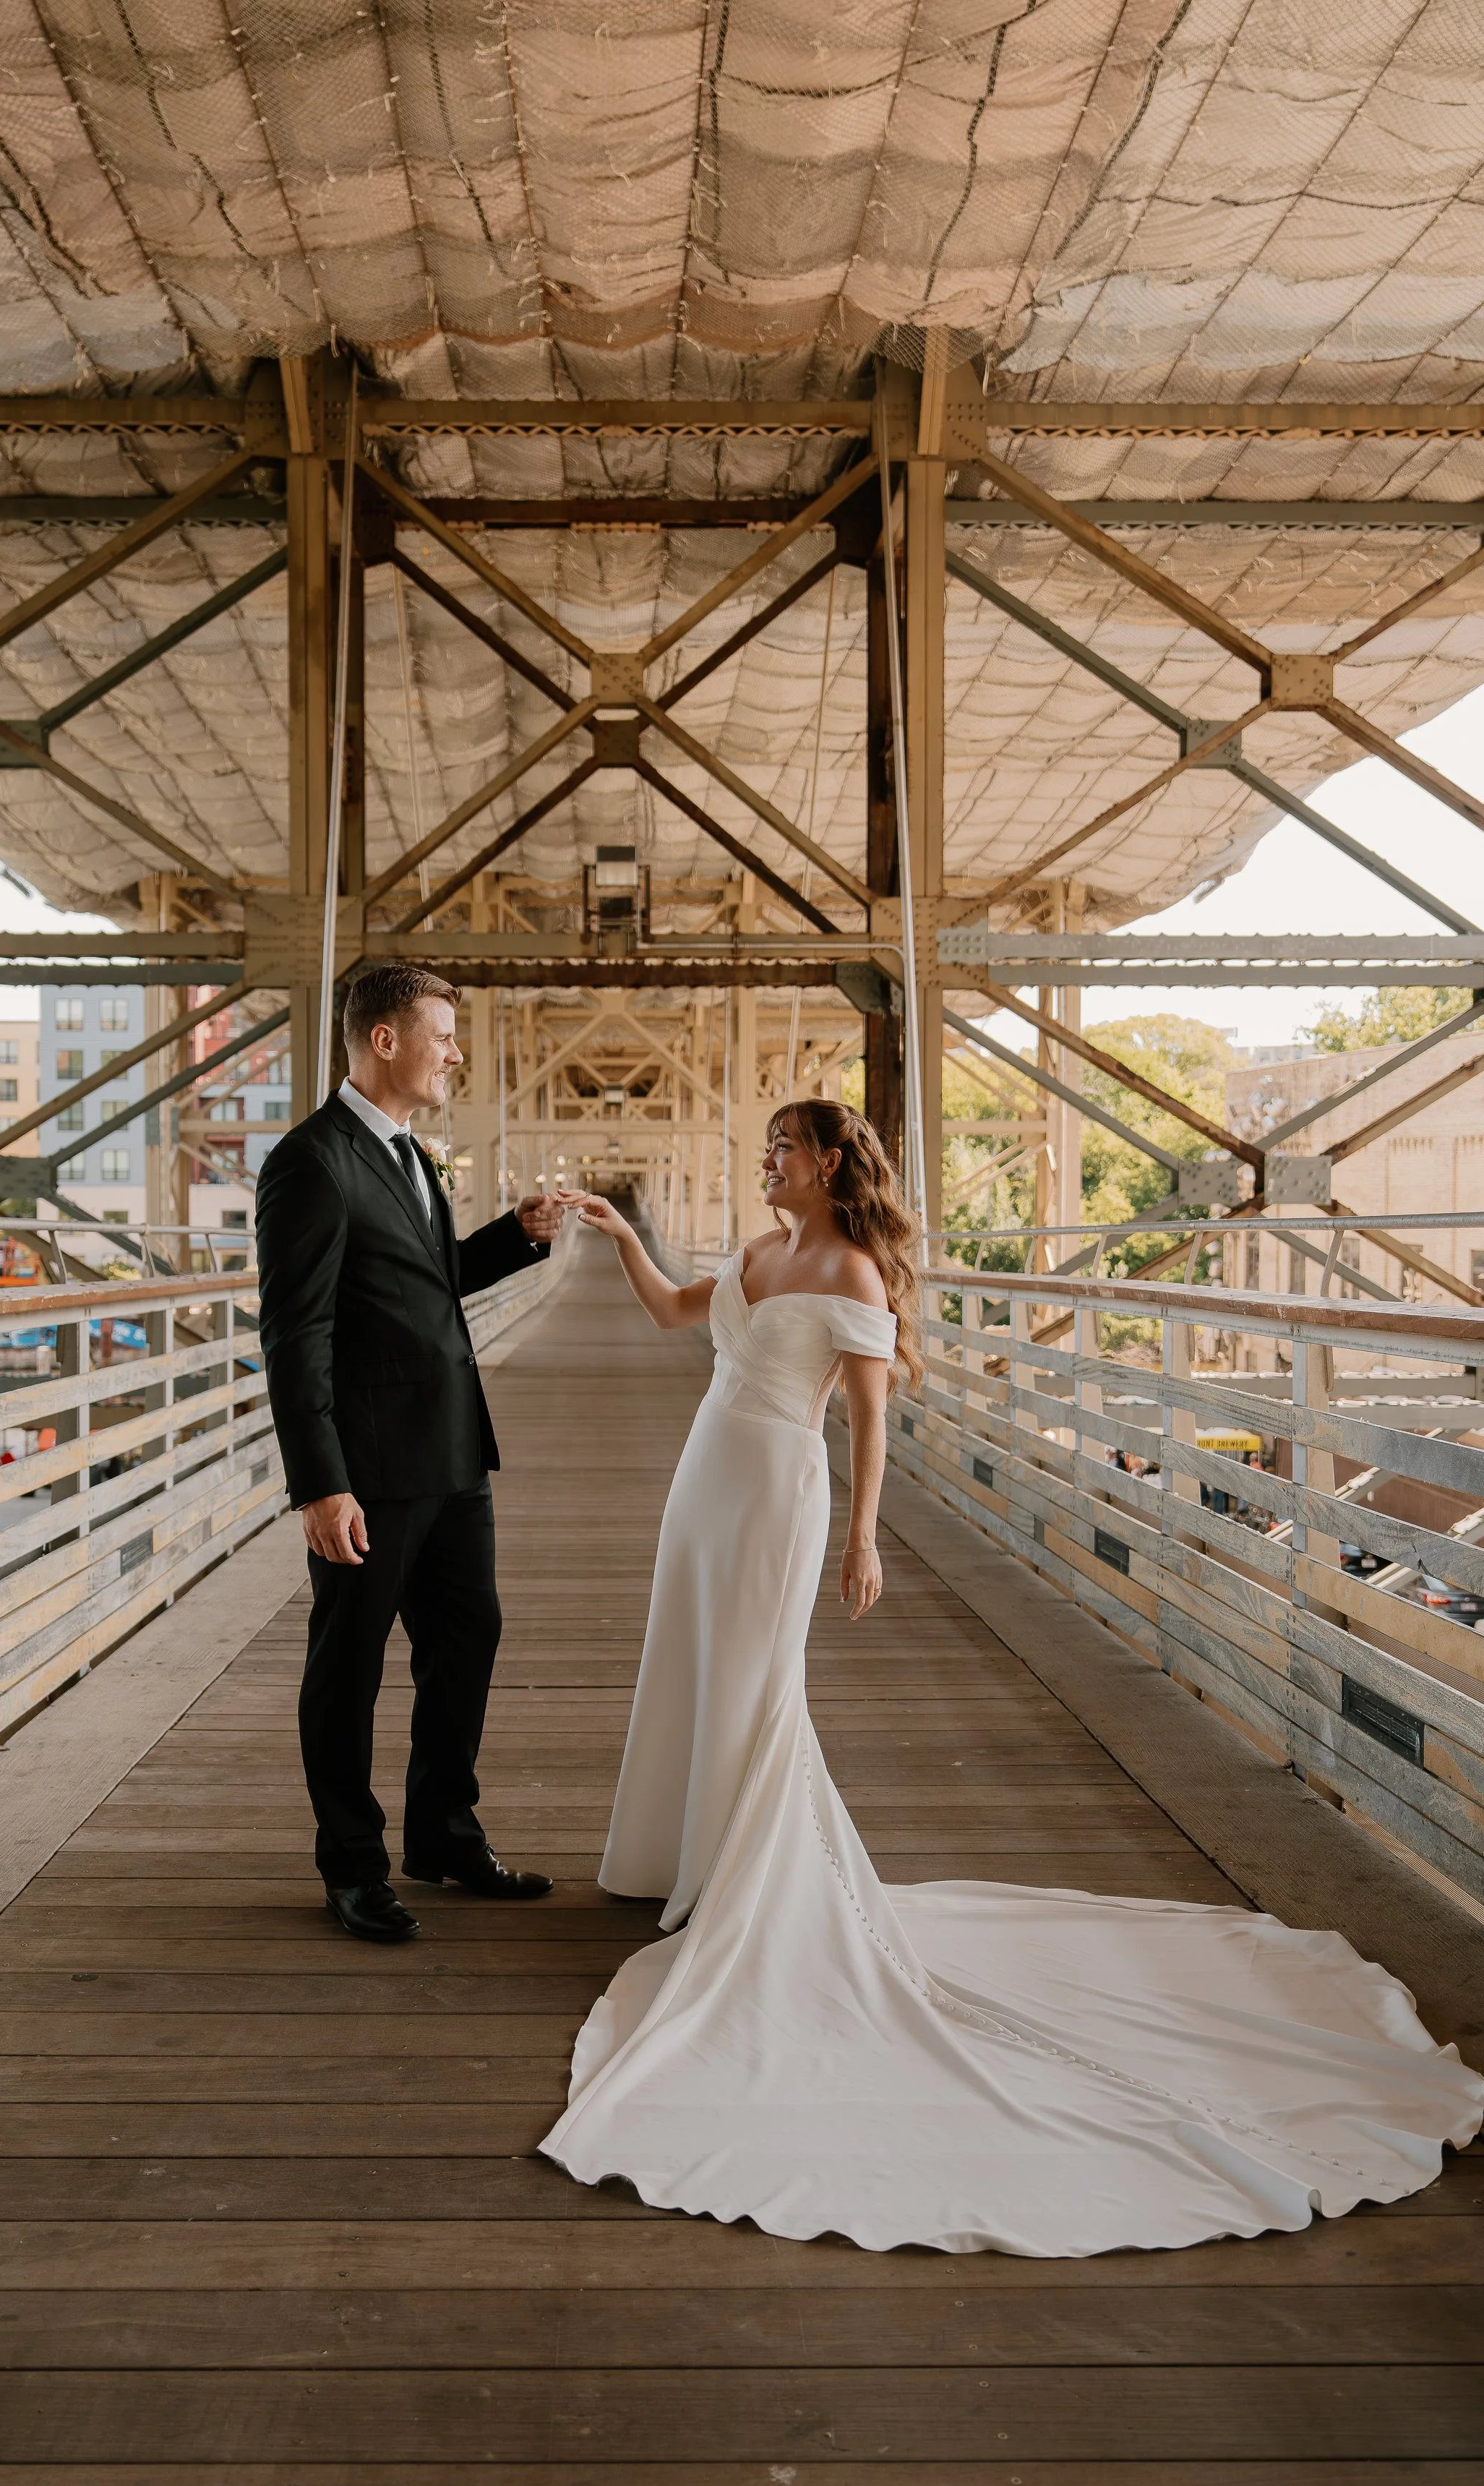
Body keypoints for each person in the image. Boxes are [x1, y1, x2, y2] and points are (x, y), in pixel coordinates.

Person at [541, 1099, 1483, 2255]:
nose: (766, 1162)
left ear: (830, 1162)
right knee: (688, 1662)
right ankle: (680, 1852)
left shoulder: (850, 1268)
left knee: (755, 1682)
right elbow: (675, 1313)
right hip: (703, 1478)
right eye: (766, 1149)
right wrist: (617, 1235)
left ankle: (746, 1877)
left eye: (783, 1148)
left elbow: (871, 1421)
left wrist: (866, 1538)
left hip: (777, 1487)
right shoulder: (753, 1251)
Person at [254, 962, 562, 1945]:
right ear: (384, 1040)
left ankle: (443, 1834)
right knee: (348, 1669)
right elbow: (294, 1334)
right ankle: (352, 1865)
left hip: (452, 1456)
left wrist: (514, 1239)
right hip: (369, 1471)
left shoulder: (407, 1155)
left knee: (467, 1642)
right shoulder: (313, 1161)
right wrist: (319, 1483)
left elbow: (427, 1283)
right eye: (442, 1033)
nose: (455, 1052)